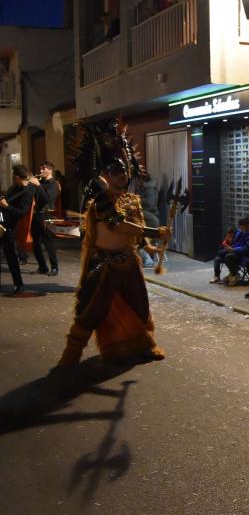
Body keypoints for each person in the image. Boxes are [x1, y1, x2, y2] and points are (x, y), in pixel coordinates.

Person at [58, 119, 171, 367]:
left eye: (123, 172)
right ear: (104, 175)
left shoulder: (132, 200)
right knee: (91, 309)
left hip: (128, 261)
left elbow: (135, 234)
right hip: (103, 263)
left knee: (140, 304)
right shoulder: (101, 201)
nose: (120, 177)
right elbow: (118, 225)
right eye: (114, 173)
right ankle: (72, 352)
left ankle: (146, 343)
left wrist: (149, 245)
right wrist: (155, 229)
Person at [0, 165, 35, 293]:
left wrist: (7, 206)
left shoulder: (28, 192)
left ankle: (18, 284)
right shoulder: (14, 188)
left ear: (17, 177)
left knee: (11, 256)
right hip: (2, 221)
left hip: (10, 226)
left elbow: (22, 213)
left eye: (13, 176)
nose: (12, 178)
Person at [30, 161, 60, 276]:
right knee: (36, 243)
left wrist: (38, 185)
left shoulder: (53, 184)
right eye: (41, 169)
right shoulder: (41, 182)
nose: (41, 171)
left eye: (43, 169)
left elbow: (47, 198)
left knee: (48, 242)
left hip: (47, 215)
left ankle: (54, 267)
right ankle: (42, 267)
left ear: (50, 170)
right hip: (37, 214)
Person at [210, 217, 249, 285]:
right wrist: (230, 247)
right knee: (220, 255)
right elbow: (236, 243)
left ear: (247, 226)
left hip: (246, 255)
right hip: (237, 251)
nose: (241, 229)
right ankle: (227, 274)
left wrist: (233, 249)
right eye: (240, 228)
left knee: (228, 256)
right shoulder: (241, 232)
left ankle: (234, 274)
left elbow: (246, 249)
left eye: (242, 228)